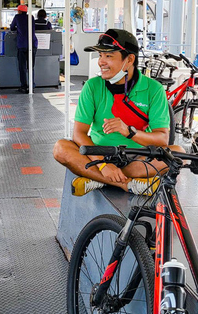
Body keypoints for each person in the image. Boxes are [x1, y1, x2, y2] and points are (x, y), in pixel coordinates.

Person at [52, 29, 180, 196]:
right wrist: (103, 165)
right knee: (60, 148)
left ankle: (97, 179)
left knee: (179, 153)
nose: (101, 62)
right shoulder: (92, 86)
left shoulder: (153, 89)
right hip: (99, 152)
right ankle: (126, 184)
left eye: (109, 56)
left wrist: (129, 132)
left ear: (129, 60)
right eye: (100, 56)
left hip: (138, 156)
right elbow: (79, 134)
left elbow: (162, 138)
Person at [9, 4, 38, 93]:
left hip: (22, 45)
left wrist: (18, 28)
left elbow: (12, 27)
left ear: (20, 11)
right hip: (32, 44)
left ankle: (24, 87)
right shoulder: (31, 17)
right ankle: (31, 86)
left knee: (22, 67)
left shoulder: (17, 17)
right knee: (31, 67)